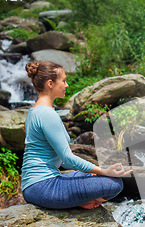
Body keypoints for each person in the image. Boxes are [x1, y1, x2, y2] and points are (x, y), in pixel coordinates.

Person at [21, 61, 132, 209]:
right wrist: (102, 170)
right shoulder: (47, 114)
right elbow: (67, 157)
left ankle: (82, 200)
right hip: (43, 187)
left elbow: (63, 162)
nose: (66, 85)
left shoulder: (35, 111)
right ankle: (81, 201)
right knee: (114, 183)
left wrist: (91, 173)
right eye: (64, 80)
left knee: (92, 176)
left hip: (35, 186)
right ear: (50, 84)